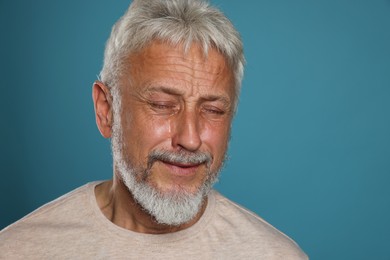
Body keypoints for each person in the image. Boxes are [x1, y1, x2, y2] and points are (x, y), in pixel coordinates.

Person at [0, 0, 307, 259]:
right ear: (106, 111)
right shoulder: (17, 250)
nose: (189, 138)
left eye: (212, 110)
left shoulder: (273, 255)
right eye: (162, 104)